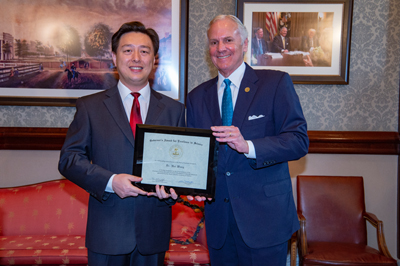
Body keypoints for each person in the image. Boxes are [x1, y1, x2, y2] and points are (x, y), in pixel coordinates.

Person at [58, 21, 185, 266]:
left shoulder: (175, 111)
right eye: (127, 50)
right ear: (115, 58)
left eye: (144, 51)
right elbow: (69, 160)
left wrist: (172, 191)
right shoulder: (90, 107)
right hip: (107, 233)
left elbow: (178, 168)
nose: (136, 58)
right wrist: (110, 181)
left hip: (153, 235)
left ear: (154, 60)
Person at [186, 15, 309, 266]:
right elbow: (197, 156)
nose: (221, 48)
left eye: (228, 40)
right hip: (219, 221)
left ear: (244, 44)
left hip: (266, 220)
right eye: (214, 42)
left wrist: (249, 147)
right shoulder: (196, 97)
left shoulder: (275, 83)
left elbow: (298, 140)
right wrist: (194, 186)